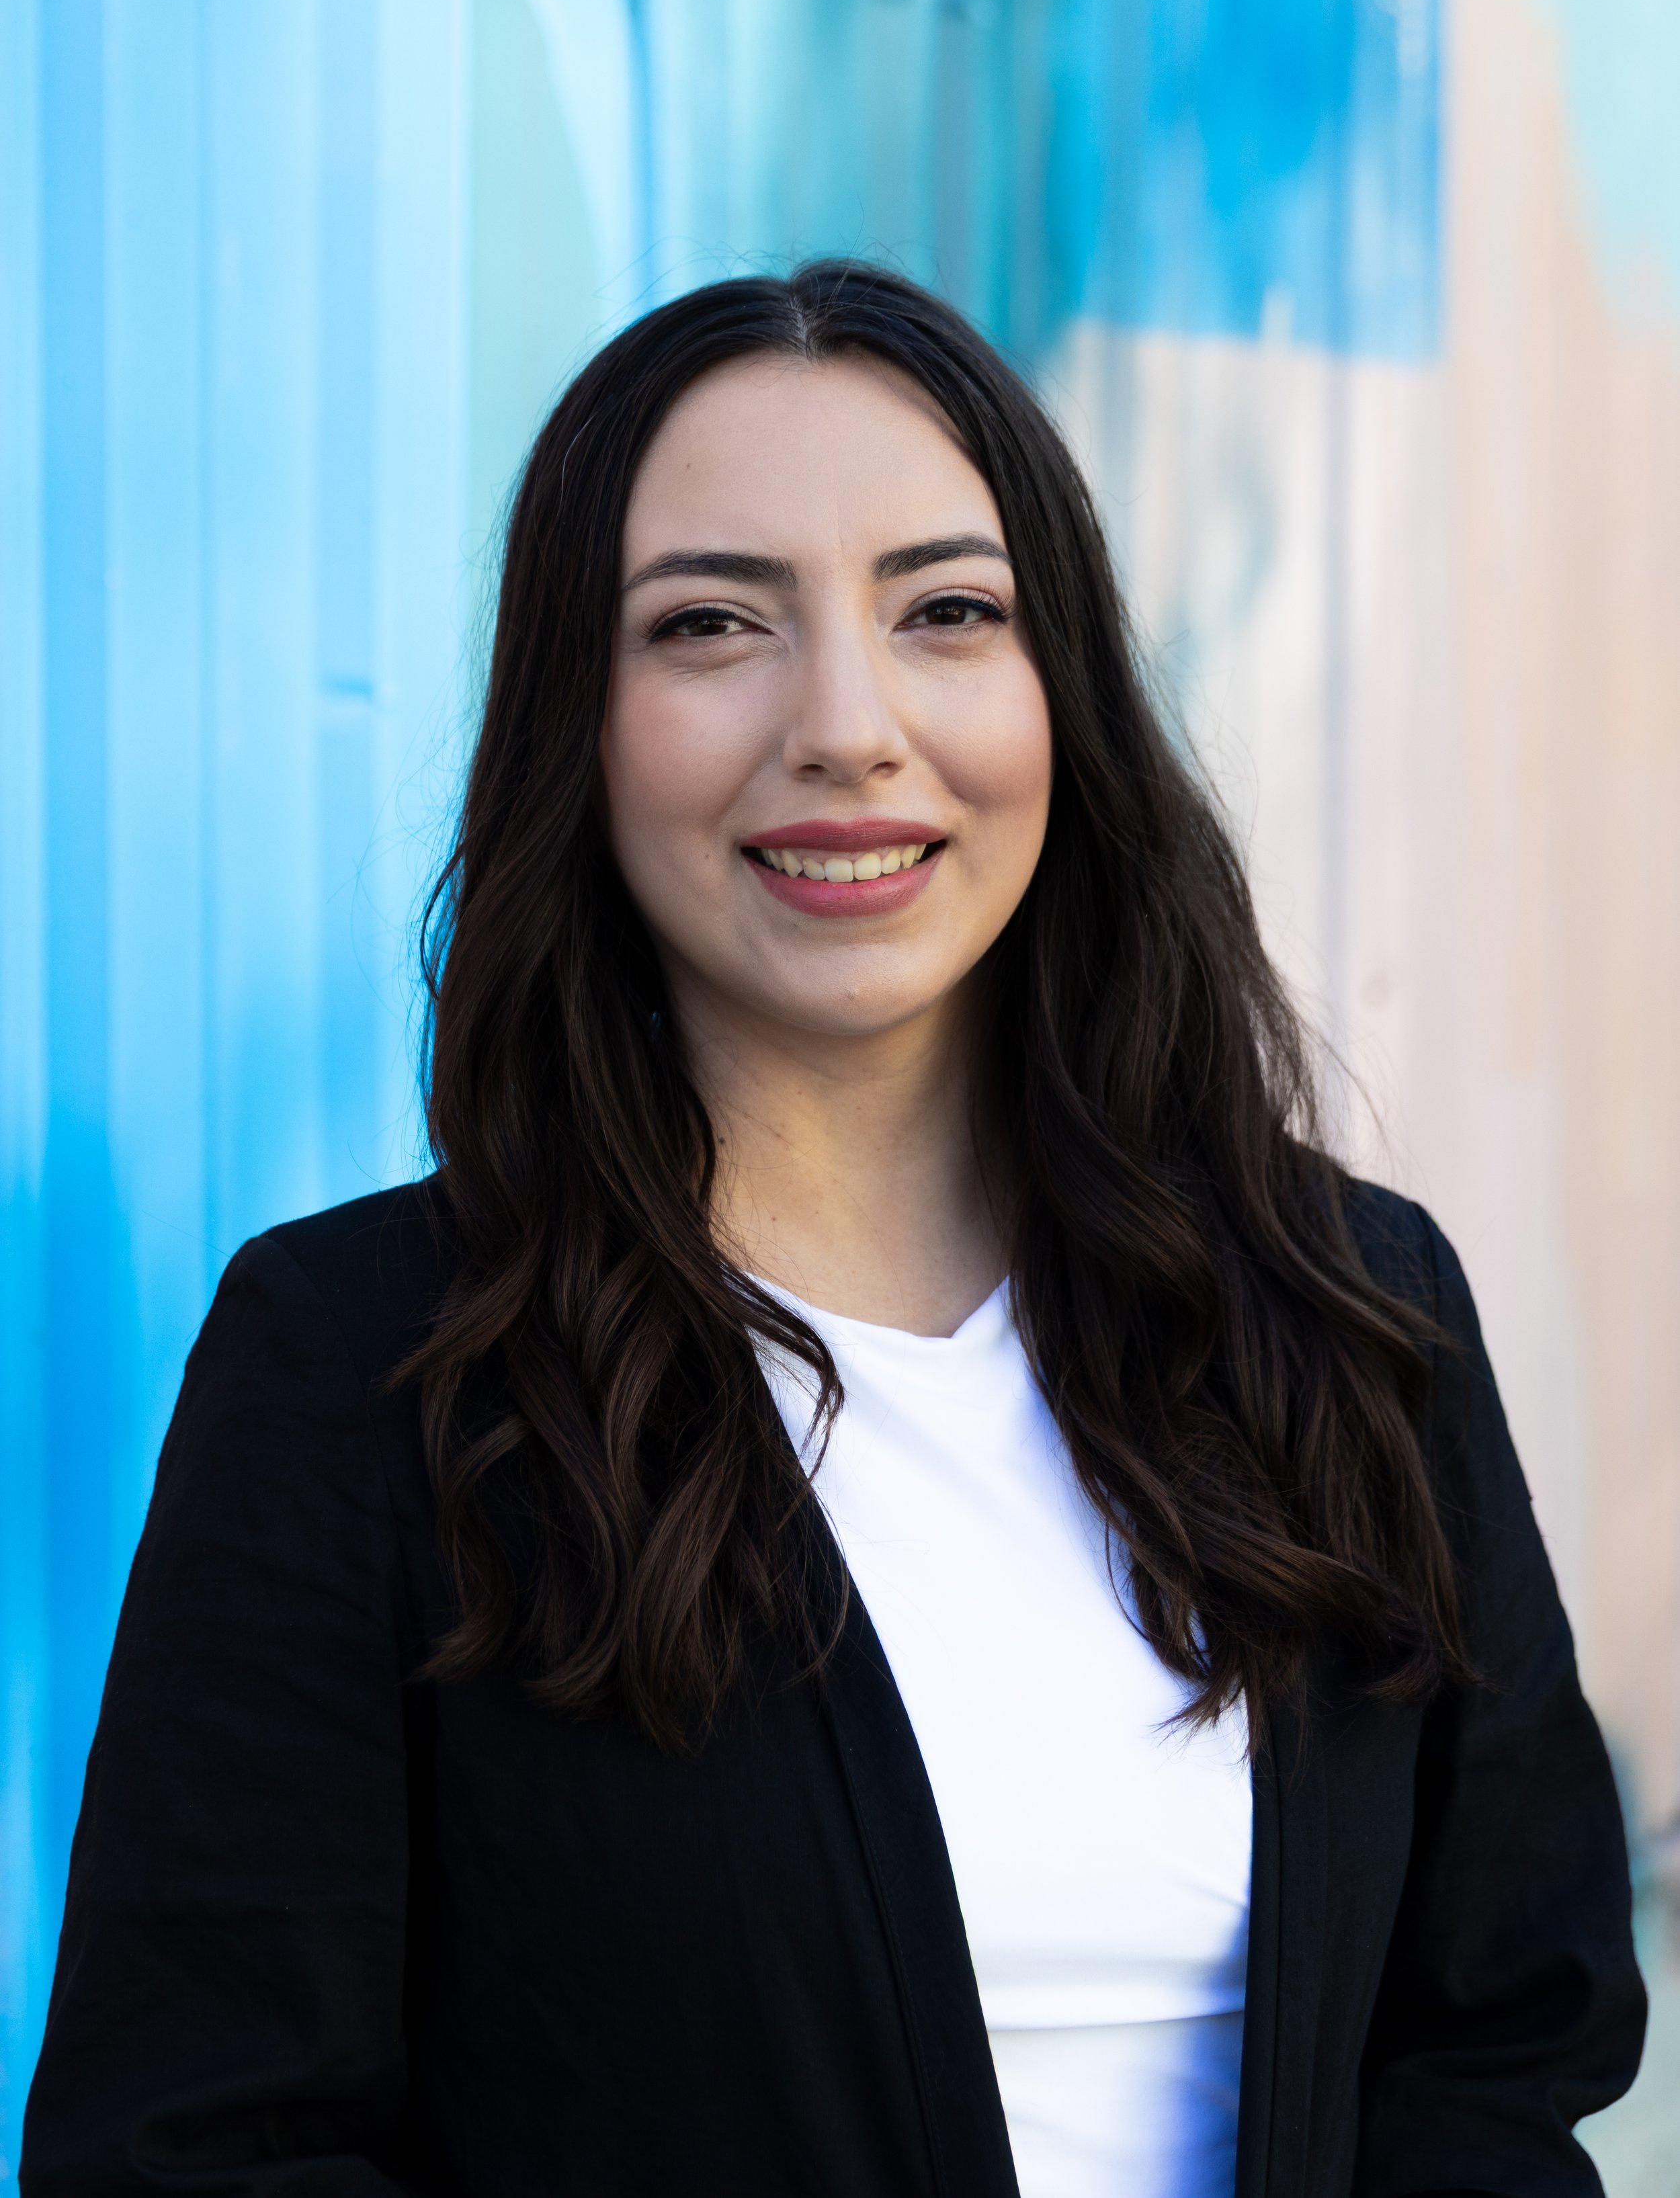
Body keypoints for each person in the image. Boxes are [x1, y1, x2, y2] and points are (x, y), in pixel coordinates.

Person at [22, 263, 1643, 2197]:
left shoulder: (1343, 1313)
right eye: (710, 625)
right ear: (581, 723)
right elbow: (194, 2144)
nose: (847, 727)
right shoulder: (371, 1366)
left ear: (1064, 697)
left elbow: (1493, 2048)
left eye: (947, 613)